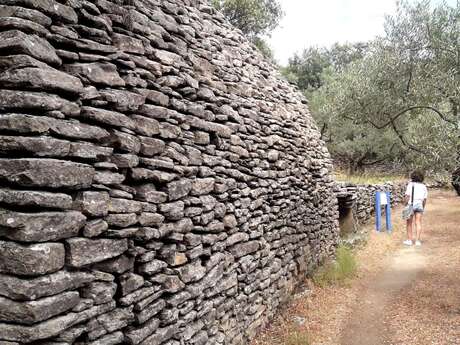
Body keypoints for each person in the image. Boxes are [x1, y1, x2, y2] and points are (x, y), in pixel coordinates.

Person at [403, 170, 428, 246]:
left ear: (412, 177)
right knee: (418, 223)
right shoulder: (423, 186)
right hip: (419, 205)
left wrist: (405, 204)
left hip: (410, 205)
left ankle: (409, 240)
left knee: (409, 223)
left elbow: (407, 196)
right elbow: (424, 199)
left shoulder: (411, 185)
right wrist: (423, 207)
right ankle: (417, 241)